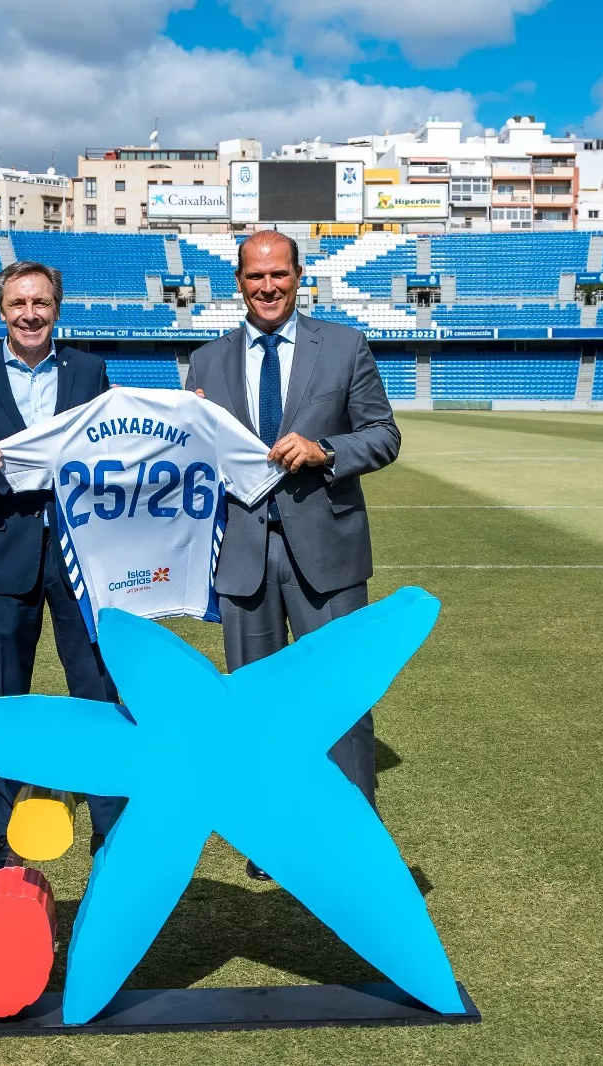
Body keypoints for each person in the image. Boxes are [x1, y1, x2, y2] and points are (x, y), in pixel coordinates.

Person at [185, 231, 400, 879]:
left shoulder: (343, 346)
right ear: (239, 282)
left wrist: (327, 453)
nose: (268, 286)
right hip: (243, 557)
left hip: (326, 553)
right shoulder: (204, 360)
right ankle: (270, 834)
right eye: (256, 276)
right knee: (256, 703)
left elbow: (383, 435)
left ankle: (350, 826)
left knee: (340, 694)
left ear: (300, 276)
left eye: (279, 274)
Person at [0, 260, 123, 874]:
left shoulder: (89, 372)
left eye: (40, 303)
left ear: (57, 308)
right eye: (18, 304)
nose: (30, 314)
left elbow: (119, 447)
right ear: (1, 310)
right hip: (4, 563)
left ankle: (110, 830)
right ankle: (9, 836)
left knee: (97, 694)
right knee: (4, 700)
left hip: (83, 562)